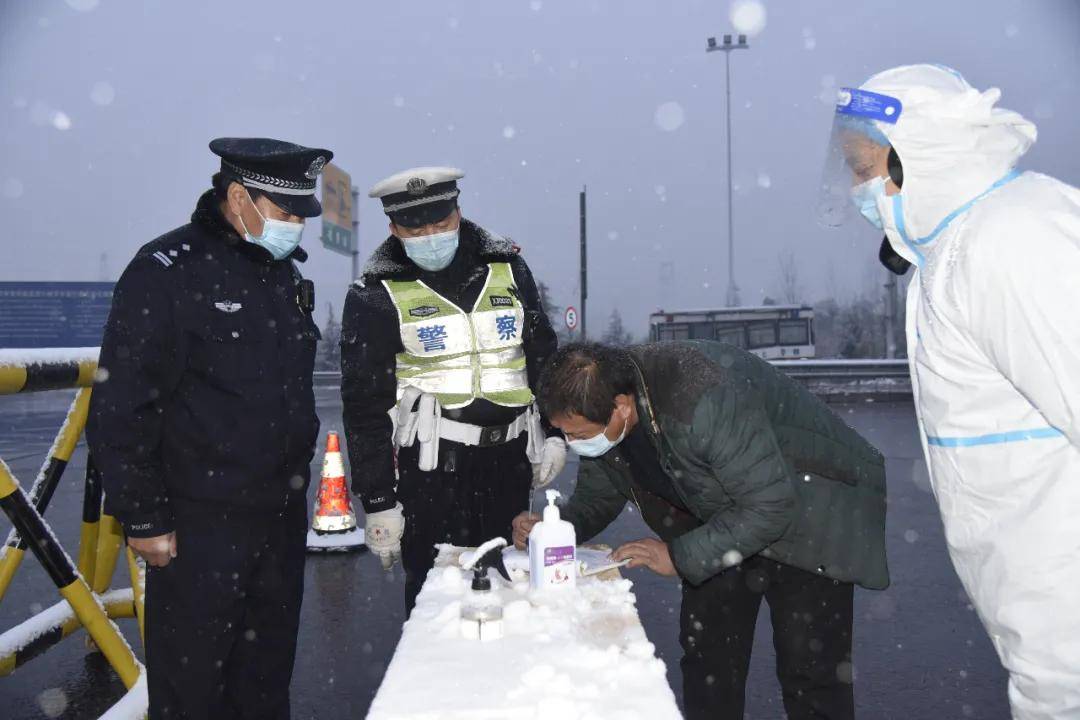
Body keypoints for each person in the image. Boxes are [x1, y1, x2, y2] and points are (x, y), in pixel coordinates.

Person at [821, 64, 1080, 719]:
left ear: (920, 158)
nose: (856, 188)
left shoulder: (1011, 239)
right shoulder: (957, 251)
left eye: (862, 166)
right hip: (1047, 635)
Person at [86, 137, 332, 719]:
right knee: (193, 684)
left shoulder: (281, 275)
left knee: (266, 675)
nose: (296, 224)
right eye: (286, 211)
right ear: (239, 196)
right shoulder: (167, 271)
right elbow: (122, 403)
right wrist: (144, 515)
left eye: (302, 213)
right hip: (200, 523)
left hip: (278, 514)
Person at [512, 341, 888, 720]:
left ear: (622, 407)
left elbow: (770, 505)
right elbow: (598, 496)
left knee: (811, 672)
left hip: (808, 511)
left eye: (578, 435)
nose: (575, 445)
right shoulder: (604, 413)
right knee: (709, 664)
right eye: (566, 435)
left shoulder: (699, 399)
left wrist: (677, 556)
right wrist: (554, 528)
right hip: (722, 516)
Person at [341, 167, 562, 611]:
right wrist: (380, 499)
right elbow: (365, 404)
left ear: (458, 213)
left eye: (441, 224)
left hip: (510, 459)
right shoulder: (375, 292)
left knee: (513, 583)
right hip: (431, 469)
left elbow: (542, 356)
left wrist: (554, 432)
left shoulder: (508, 266)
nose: (430, 235)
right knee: (437, 596)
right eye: (414, 228)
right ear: (393, 229)